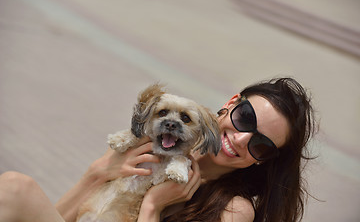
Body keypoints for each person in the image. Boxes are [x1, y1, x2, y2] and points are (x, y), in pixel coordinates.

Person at [0, 77, 317, 222]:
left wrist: (152, 206)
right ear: (232, 103)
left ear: (266, 161)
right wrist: (96, 175)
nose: (241, 139)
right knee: (17, 188)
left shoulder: (234, 210)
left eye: (261, 145)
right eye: (245, 119)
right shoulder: (151, 150)